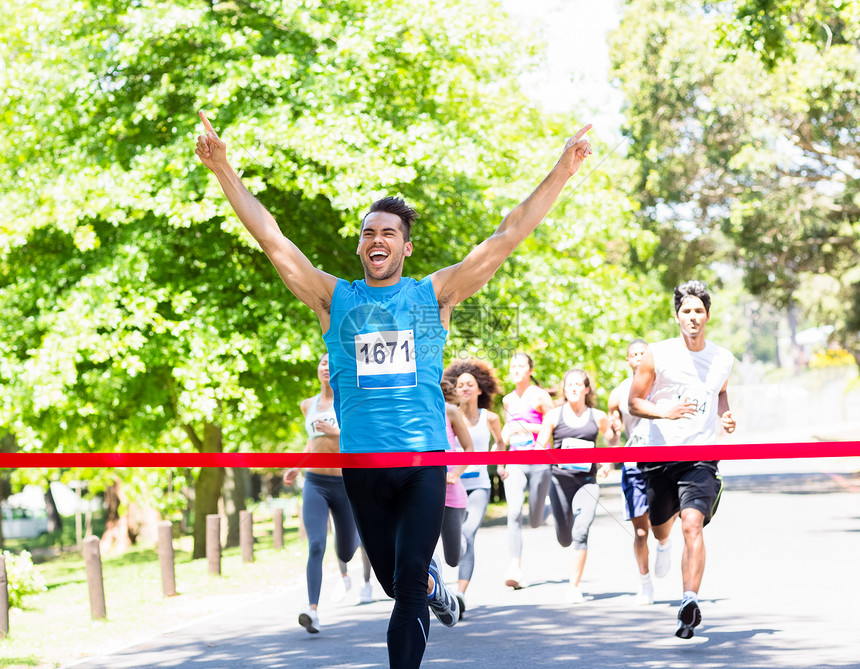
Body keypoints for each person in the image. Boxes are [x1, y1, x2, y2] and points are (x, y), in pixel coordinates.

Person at [195, 111, 592, 667]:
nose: (375, 239)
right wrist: (222, 169)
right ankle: (435, 590)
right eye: (368, 233)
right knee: (393, 583)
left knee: (403, 592)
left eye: (388, 233)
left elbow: (506, 236)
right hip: (362, 467)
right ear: (360, 248)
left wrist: (562, 171)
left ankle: (421, 600)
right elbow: (272, 239)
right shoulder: (334, 298)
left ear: (404, 248)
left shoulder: (434, 295)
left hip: (423, 460)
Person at [628, 280, 736, 639]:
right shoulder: (657, 354)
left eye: (699, 311)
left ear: (707, 316)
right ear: (677, 317)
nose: (693, 317)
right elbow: (634, 403)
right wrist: (664, 412)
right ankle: (662, 543)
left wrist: (726, 415)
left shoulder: (722, 358)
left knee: (692, 523)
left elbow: (720, 393)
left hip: (700, 456)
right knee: (662, 525)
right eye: (686, 311)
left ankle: (689, 601)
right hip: (659, 455)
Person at [282, 353, 371, 634]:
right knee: (317, 543)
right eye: (323, 363)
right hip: (316, 483)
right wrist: (298, 467)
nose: (326, 367)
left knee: (346, 548)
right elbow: (312, 442)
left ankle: (347, 569)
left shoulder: (350, 401)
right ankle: (312, 611)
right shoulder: (307, 404)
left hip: (345, 485)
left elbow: (359, 439)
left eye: (331, 364)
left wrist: (335, 432)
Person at [536, 368, 617, 603]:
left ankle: (574, 586)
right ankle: (562, 525)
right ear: (564, 389)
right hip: (559, 482)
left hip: (587, 483)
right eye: (568, 384)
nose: (572, 388)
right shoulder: (554, 416)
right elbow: (541, 446)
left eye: (577, 384)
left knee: (580, 531)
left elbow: (612, 439)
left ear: (586, 389)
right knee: (565, 538)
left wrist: (608, 462)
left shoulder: (597, 416)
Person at [442, 359, 504, 618]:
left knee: (467, 534)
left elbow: (500, 443)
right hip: (448, 486)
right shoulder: (445, 413)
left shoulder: (489, 418)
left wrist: (499, 463)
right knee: (451, 543)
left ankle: (461, 593)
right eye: (460, 384)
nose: (465, 388)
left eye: (471, 384)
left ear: (480, 389)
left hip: (476, 485)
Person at [607, 338, 661, 605]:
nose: (639, 357)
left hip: (662, 459)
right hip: (633, 462)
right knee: (640, 530)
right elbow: (612, 433)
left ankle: (664, 544)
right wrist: (611, 438)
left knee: (662, 521)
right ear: (628, 360)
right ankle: (645, 583)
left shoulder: (662, 384)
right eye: (634, 354)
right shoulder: (619, 392)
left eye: (643, 353)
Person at [497, 352, 554, 589]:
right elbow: (506, 433)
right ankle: (515, 567)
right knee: (513, 513)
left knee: (535, 520)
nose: (516, 369)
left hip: (539, 461)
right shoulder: (508, 400)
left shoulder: (539, 396)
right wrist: (500, 459)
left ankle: (547, 509)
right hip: (516, 460)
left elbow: (553, 424)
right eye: (513, 366)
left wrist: (528, 426)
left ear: (530, 370)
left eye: (521, 365)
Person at [437, 379, 474, 577]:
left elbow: (469, 449)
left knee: (453, 559)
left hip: (451, 491)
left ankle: (462, 539)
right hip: (422, 491)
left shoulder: (449, 411)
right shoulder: (411, 412)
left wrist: (455, 473)